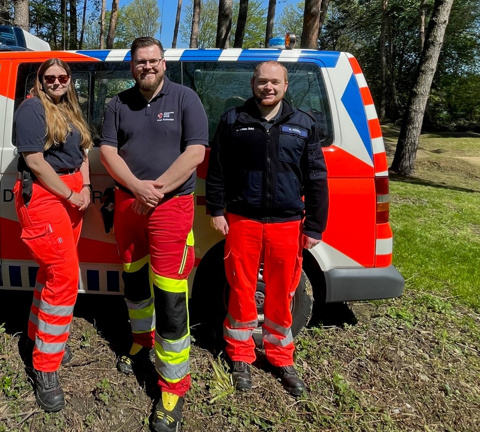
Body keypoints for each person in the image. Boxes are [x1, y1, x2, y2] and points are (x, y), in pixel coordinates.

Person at [100, 37, 208, 432]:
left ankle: (173, 385)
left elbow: (196, 151)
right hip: (129, 205)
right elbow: (108, 152)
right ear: (132, 66)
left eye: (153, 61)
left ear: (164, 63)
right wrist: (137, 187)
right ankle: (141, 340)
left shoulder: (185, 99)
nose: (147, 67)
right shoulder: (117, 103)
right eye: (140, 62)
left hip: (170, 206)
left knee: (169, 292)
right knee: (133, 280)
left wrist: (155, 188)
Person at [205, 60, 329, 397]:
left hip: (288, 222)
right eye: (262, 82)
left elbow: (317, 178)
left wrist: (316, 225)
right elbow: (217, 170)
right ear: (252, 84)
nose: (268, 87)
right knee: (241, 288)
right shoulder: (233, 120)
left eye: (275, 82)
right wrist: (216, 209)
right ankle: (240, 356)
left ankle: (280, 358)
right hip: (242, 219)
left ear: (286, 86)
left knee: (283, 291)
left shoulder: (304, 124)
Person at [13, 58, 92, 413]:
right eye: (50, 77)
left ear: (68, 79)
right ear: (40, 80)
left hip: (70, 192)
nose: (57, 81)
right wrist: (71, 193)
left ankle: (40, 338)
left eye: (62, 76)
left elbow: (84, 151)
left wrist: (86, 185)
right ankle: (45, 365)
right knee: (63, 278)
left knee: (51, 274)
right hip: (48, 195)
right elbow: (35, 162)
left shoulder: (69, 108)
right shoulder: (32, 108)